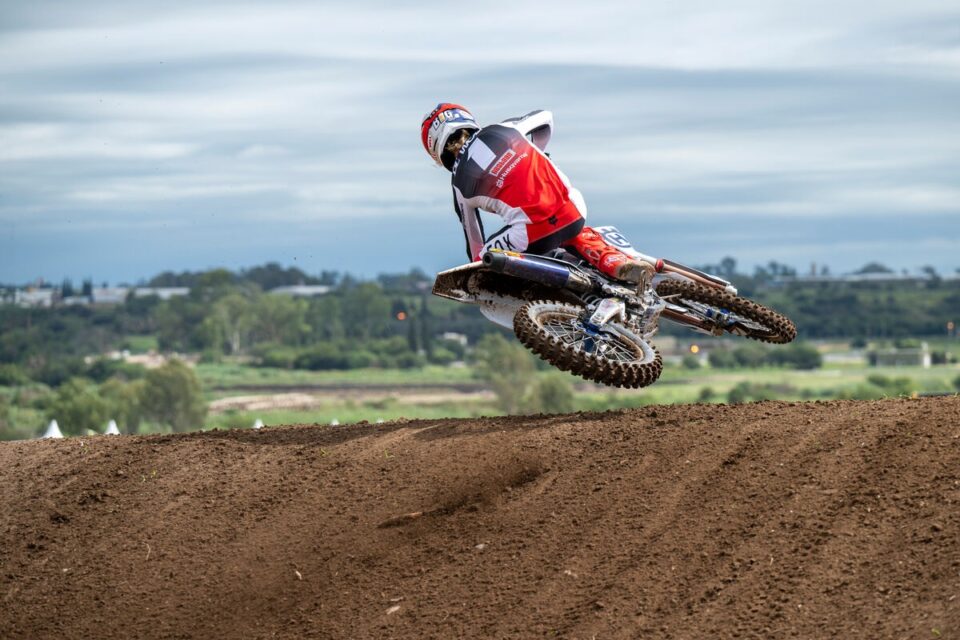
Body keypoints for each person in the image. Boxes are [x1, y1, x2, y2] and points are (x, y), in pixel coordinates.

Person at [420, 102, 655, 285]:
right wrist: (535, 151)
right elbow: (545, 117)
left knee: (487, 257)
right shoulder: (506, 128)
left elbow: (474, 245)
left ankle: (545, 282)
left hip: (531, 233)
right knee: (564, 227)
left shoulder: (459, 184)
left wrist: (479, 273)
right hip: (574, 209)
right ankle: (611, 260)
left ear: (436, 149)